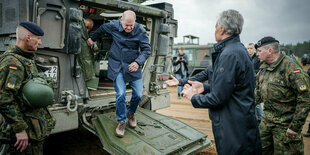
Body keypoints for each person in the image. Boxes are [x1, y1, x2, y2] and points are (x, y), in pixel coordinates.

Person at [181, 10, 261, 154]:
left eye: (215, 26)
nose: (215, 30)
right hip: (241, 124)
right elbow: (231, 88)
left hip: (232, 129)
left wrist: (194, 97)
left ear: (222, 29)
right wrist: (204, 87)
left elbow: (218, 98)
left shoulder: (229, 54)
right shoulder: (238, 50)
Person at [87, 10, 151, 138]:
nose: (128, 28)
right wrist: (92, 39)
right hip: (117, 65)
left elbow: (146, 50)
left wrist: (138, 62)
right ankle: (122, 121)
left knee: (138, 94)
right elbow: (101, 29)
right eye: (126, 25)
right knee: (121, 94)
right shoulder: (113, 25)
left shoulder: (140, 31)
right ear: (121, 21)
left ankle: (131, 113)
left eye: (131, 25)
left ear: (134, 22)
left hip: (133, 66)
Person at [0, 21, 56, 154]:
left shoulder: (26, 59)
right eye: (38, 39)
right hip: (21, 135)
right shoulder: (12, 62)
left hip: (32, 130)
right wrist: (19, 129)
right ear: (28, 38)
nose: (40, 43)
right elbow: (4, 99)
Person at [255, 36, 310, 154]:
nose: (257, 54)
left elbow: (305, 98)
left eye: (259, 51)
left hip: (285, 126)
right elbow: (257, 94)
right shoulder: (264, 68)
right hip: (266, 123)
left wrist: (295, 126)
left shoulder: (291, 68)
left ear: (270, 51)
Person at [78, 18, 98, 90]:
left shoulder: (87, 38)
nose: (87, 30)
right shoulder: (81, 38)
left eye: (89, 29)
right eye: (86, 27)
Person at [247, 43, 263, 124]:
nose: (249, 50)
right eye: (248, 48)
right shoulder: (246, 58)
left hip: (256, 82)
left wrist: (251, 73)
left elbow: (261, 70)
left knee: (257, 102)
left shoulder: (258, 58)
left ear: (254, 49)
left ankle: (260, 119)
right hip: (248, 83)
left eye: (251, 48)